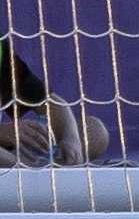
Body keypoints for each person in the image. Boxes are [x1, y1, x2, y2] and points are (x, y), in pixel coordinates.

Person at [0, 32, 111, 168]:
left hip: (8, 151)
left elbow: (50, 103)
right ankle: (30, 171)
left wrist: (71, 139)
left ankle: (45, 166)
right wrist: (2, 132)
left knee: (95, 131)